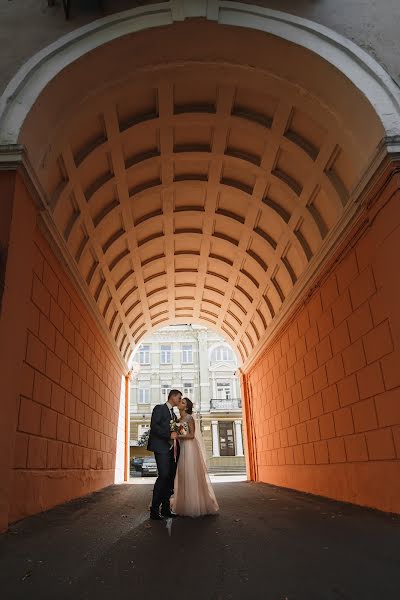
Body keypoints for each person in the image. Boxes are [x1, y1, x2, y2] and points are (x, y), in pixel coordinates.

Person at [171, 397, 219, 517]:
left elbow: (192, 435)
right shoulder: (177, 419)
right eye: (180, 401)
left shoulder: (189, 418)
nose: (180, 403)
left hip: (190, 449)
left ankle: (194, 505)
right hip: (182, 448)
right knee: (183, 475)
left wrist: (178, 437)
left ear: (186, 407)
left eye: (182, 402)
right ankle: (184, 503)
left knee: (191, 474)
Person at [147, 389, 182, 520]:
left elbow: (174, 429)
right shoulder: (159, 408)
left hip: (171, 450)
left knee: (170, 478)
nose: (179, 401)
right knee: (163, 476)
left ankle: (166, 509)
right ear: (172, 397)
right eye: (179, 398)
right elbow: (154, 426)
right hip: (161, 448)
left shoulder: (173, 413)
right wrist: (169, 434)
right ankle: (154, 510)